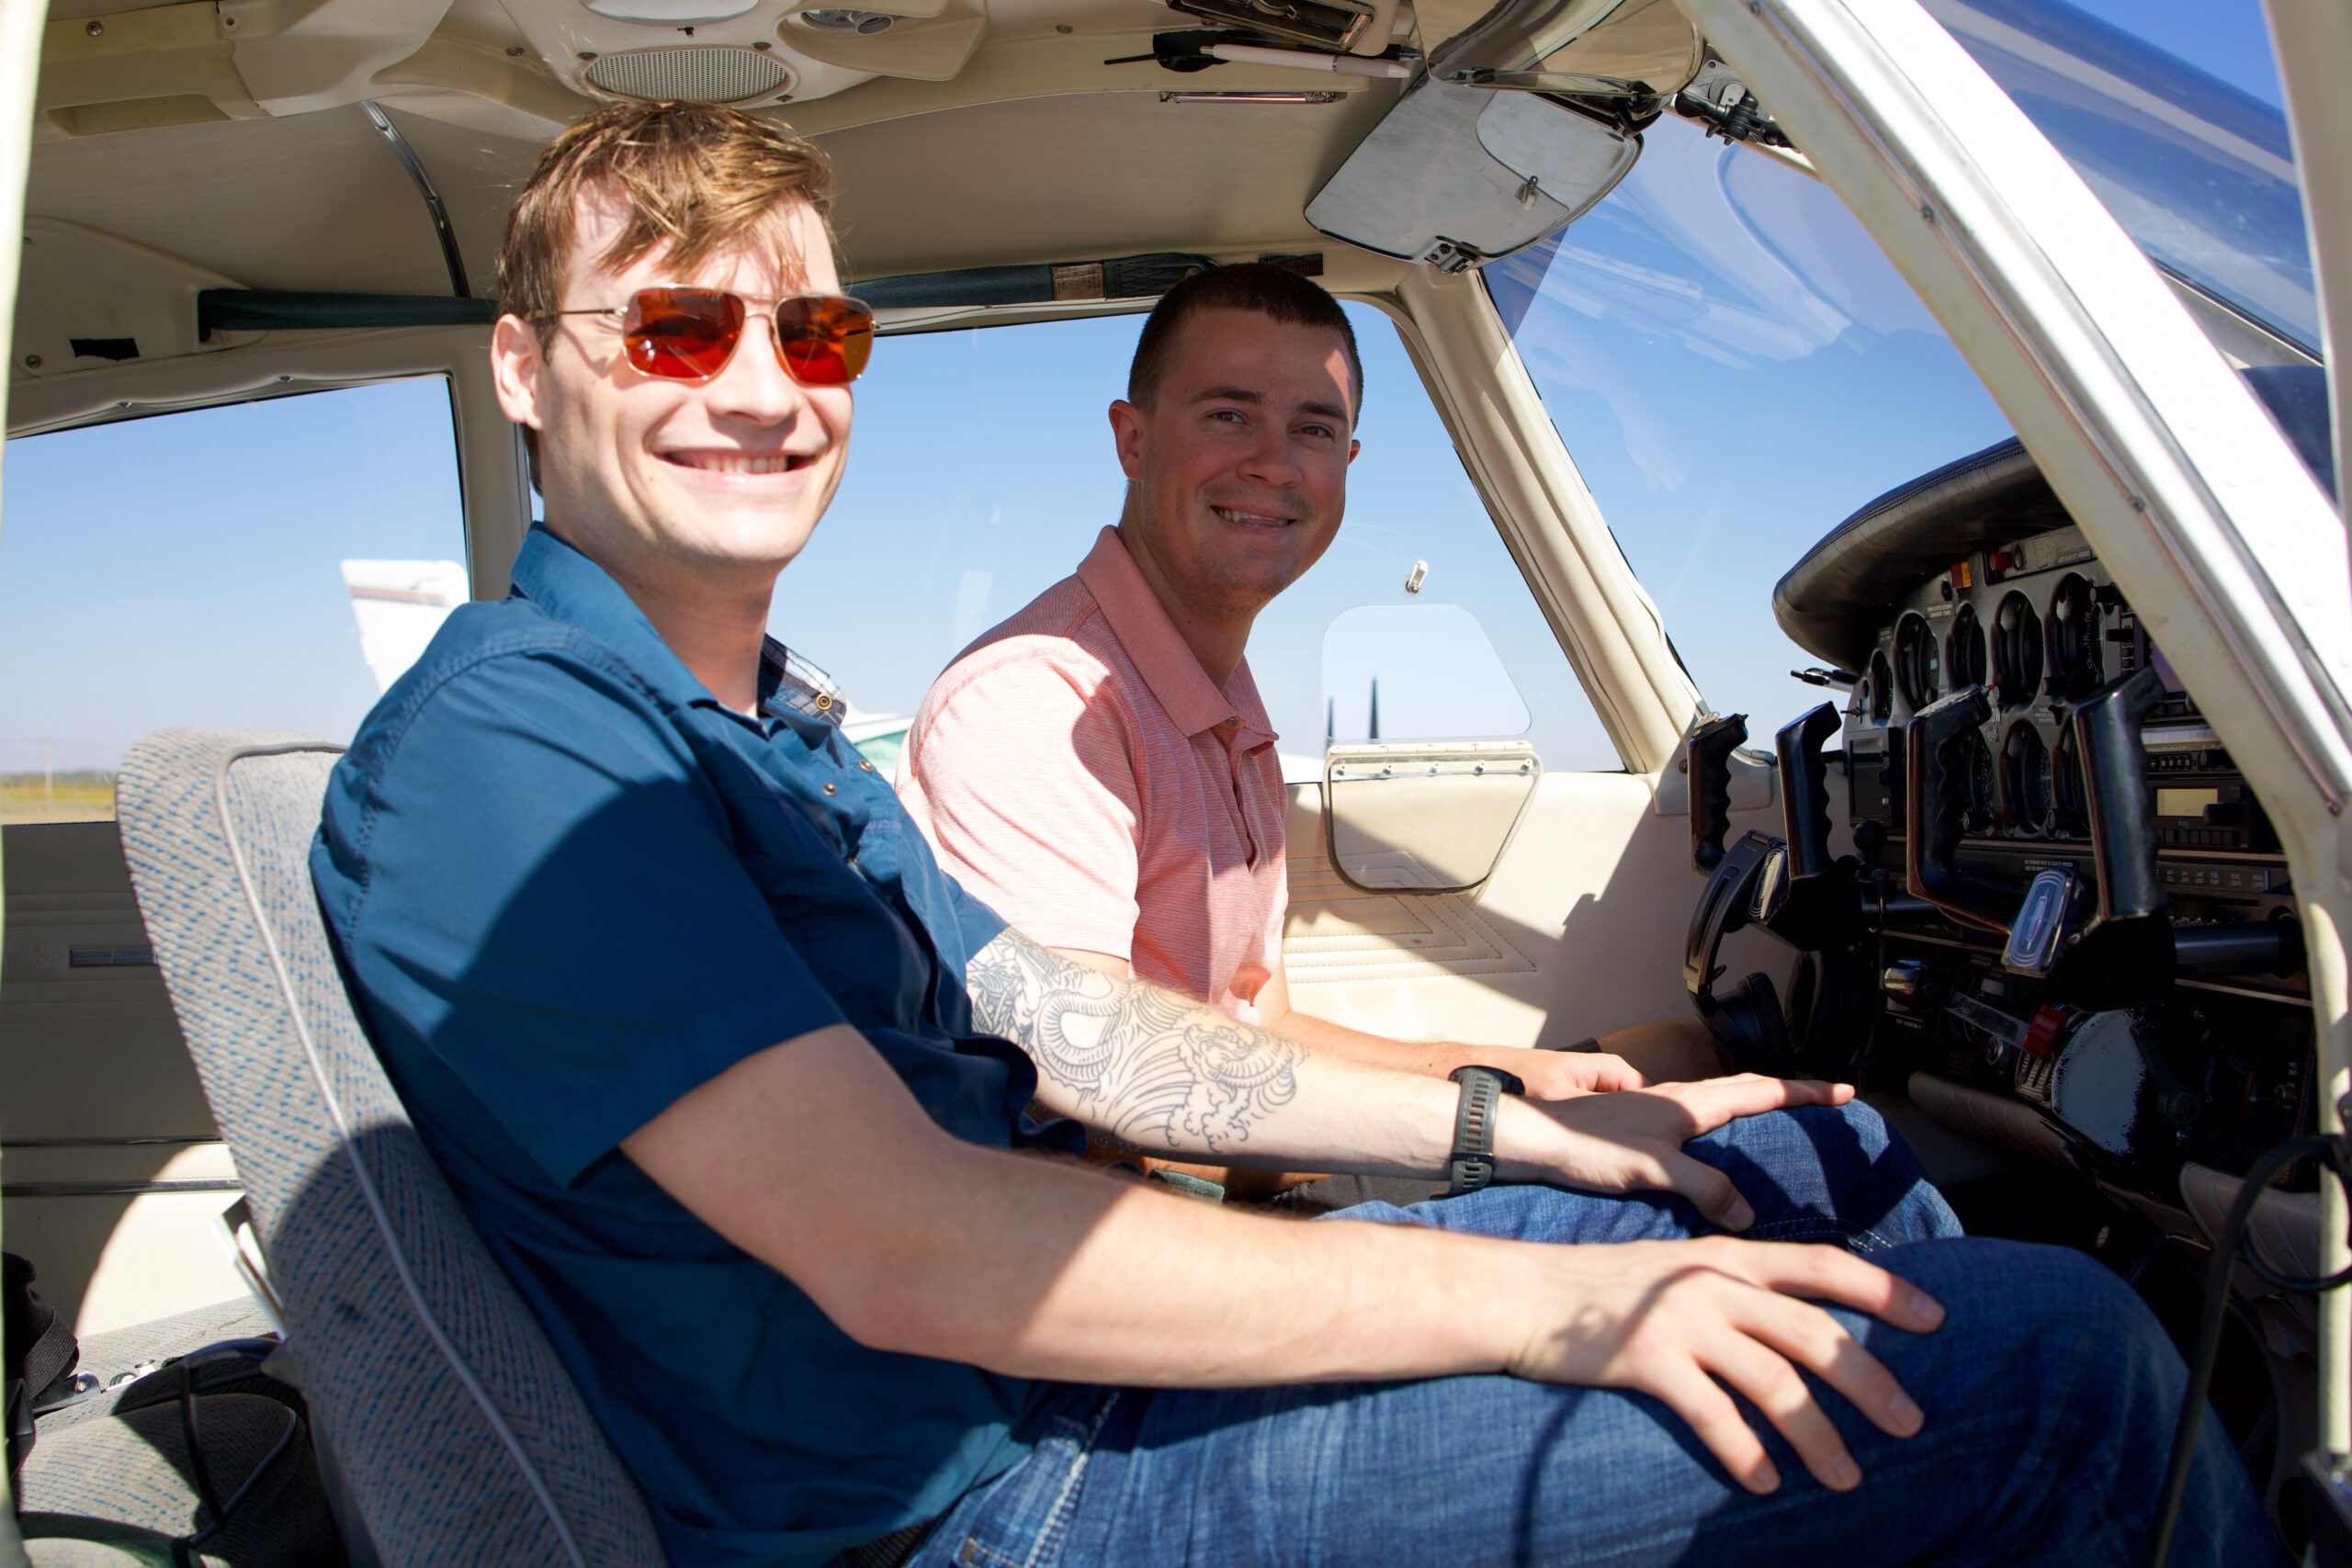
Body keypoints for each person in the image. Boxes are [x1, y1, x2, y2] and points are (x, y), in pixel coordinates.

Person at [310, 100, 2279, 1568]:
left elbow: (1073, 1029)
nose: (757, 393)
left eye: (809, 340)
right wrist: (1561, 1297)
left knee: (1795, 1193)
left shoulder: (768, 736)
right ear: (521, 368)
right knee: (2064, 1367)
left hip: (1073, 1374)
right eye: (674, 333)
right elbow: (914, 1252)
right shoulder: (520, 749)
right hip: (987, 1501)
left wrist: (1519, 1122)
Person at [894, 265, 1719, 1209]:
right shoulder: (1040, 702)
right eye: (1229, 415)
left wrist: (1488, 1067)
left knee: (1683, 1061)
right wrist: (1491, 1132)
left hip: (1230, 1186)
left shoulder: (1220, 701)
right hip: (1155, 1247)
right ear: (1132, 439)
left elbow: (1255, 1025)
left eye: (1312, 430)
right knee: (1786, 1159)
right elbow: (1078, 1107)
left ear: (1347, 465)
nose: (1275, 465)